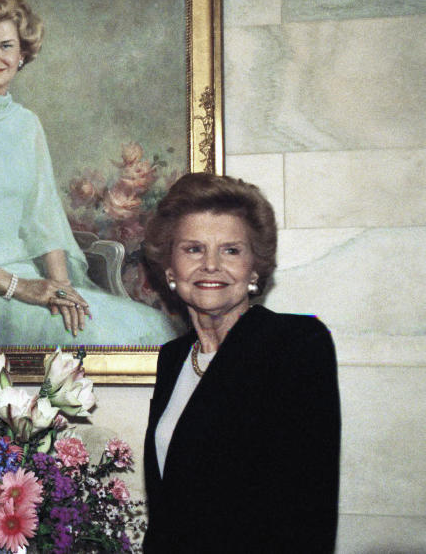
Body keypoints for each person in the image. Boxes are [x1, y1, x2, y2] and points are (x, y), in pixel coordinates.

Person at [0, 0, 177, 347]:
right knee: (95, 337)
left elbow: (43, 220)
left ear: (23, 53)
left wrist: (60, 288)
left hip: (38, 287)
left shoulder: (27, 124)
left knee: (153, 327)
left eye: (6, 46)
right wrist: (19, 287)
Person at [141, 172, 341, 552]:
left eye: (231, 250)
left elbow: (308, 514)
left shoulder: (296, 345)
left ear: (254, 269)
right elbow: (168, 511)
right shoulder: (172, 360)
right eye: (193, 249)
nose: (211, 265)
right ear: (170, 269)